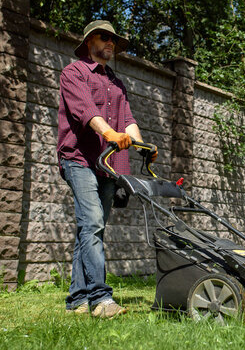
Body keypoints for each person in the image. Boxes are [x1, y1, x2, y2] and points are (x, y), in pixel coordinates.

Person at [57, 20, 154, 318]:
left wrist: (141, 145)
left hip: (109, 164)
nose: (111, 43)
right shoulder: (73, 73)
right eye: (105, 37)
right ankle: (100, 299)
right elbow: (86, 110)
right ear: (89, 42)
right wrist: (109, 134)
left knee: (90, 228)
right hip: (79, 158)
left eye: (114, 39)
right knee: (93, 224)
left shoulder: (115, 82)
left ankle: (77, 300)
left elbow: (127, 120)